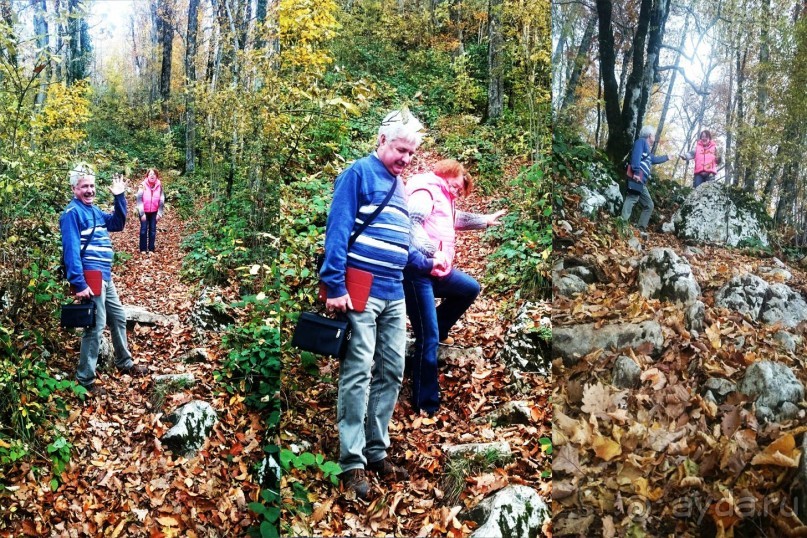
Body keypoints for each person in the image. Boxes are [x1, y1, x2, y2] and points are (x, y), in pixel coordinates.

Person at [320, 109, 444, 500]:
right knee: (358, 369)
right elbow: (337, 229)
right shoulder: (358, 173)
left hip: (394, 293)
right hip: (360, 289)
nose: (405, 159)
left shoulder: (400, 185)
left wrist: (429, 262)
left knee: (393, 367)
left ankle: (377, 450)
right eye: (400, 149)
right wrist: (334, 284)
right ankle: (352, 461)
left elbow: (402, 243)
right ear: (381, 140)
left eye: (411, 153)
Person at [403, 159, 506, 415]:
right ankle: (425, 403)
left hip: (436, 269)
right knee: (426, 338)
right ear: (448, 173)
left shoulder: (443, 194)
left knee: (469, 288)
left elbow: (454, 217)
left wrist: (484, 220)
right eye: (457, 187)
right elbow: (410, 225)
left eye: (460, 192)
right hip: (417, 271)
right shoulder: (426, 190)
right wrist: (431, 251)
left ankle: (437, 328)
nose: (457, 192)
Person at [60, 164, 148, 396]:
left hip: (105, 277)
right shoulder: (72, 214)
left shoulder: (95, 211)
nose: (89, 190)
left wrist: (119, 196)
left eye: (91, 186)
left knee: (118, 317)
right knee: (95, 327)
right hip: (91, 278)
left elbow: (117, 224)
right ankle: (84, 380)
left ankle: (124, 362)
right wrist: (79, 284)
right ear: (74, 188)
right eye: (84, 187)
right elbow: (70, 251)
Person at [620, 125, 674, 236]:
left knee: (649, 205)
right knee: (632, 198)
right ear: (649, 136)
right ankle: (622, 224)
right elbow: (636, 156)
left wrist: (667, 157)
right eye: (654, 135)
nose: (655, 137)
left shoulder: (648, 152)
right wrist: (635, 172)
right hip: (636, 177)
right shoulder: (641, 142)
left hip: (641, 182)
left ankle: (641, 228)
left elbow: (654, 159)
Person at [135, 169, 165, 254]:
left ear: (156, 176)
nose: (152, 176)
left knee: (152, 230)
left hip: (154, 212)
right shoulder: (142, 185)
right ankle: (143, 249)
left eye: (154, 174)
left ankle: (151, 249)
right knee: (143, 230)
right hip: (144, 211)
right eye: (150, 174)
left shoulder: (159, 186)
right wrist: (142, 213)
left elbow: (162, 200)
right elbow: (139, 200)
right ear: (147, 176)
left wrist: (159, 213)